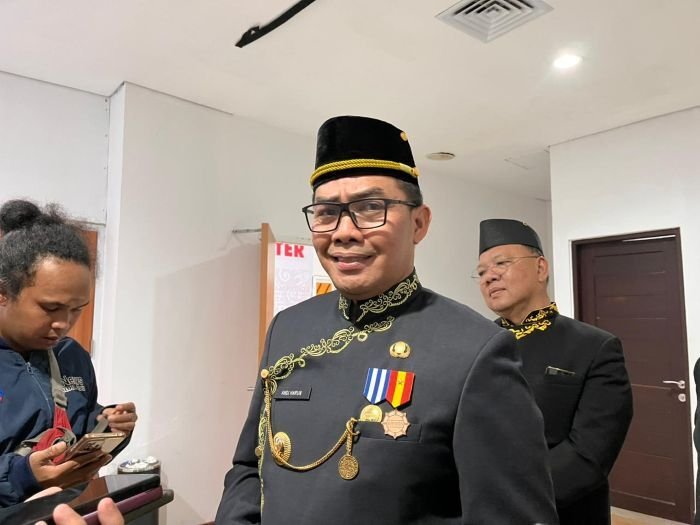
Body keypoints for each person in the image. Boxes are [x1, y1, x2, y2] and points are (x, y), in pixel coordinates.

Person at [216, 116, 558, 524]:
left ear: (419, 223)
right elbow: (249, 467)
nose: (343, 232)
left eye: (370, 208)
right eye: (326, 212)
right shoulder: (289, 327)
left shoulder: (474, 351)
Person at [475, 218, 633, 524]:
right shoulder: (475, 344)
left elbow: (589, 453)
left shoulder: (595, 347)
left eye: (501, 263)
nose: (489, 277)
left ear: (540, 268)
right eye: (481, 272)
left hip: (557, 511)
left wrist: (514, 499)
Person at [0, 200, 138, 507]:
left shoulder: (71, 356)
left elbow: (78, 426)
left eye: (77, 309)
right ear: (3, 293)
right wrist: (21, 476)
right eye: (51, 308)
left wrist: (109, 426)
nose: (64, 324)